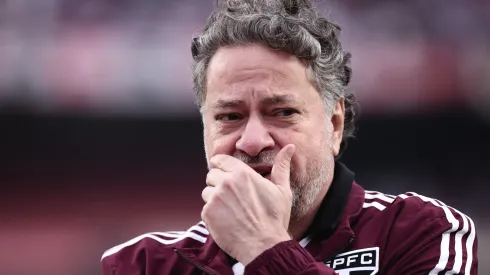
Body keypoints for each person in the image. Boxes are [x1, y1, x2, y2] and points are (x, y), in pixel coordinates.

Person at [101, 0, 478, 274]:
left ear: (334, 125)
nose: (252, 141)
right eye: (229, 116)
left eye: (281, 112)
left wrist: (265, 247)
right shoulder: (143, 264)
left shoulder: (424, 232)